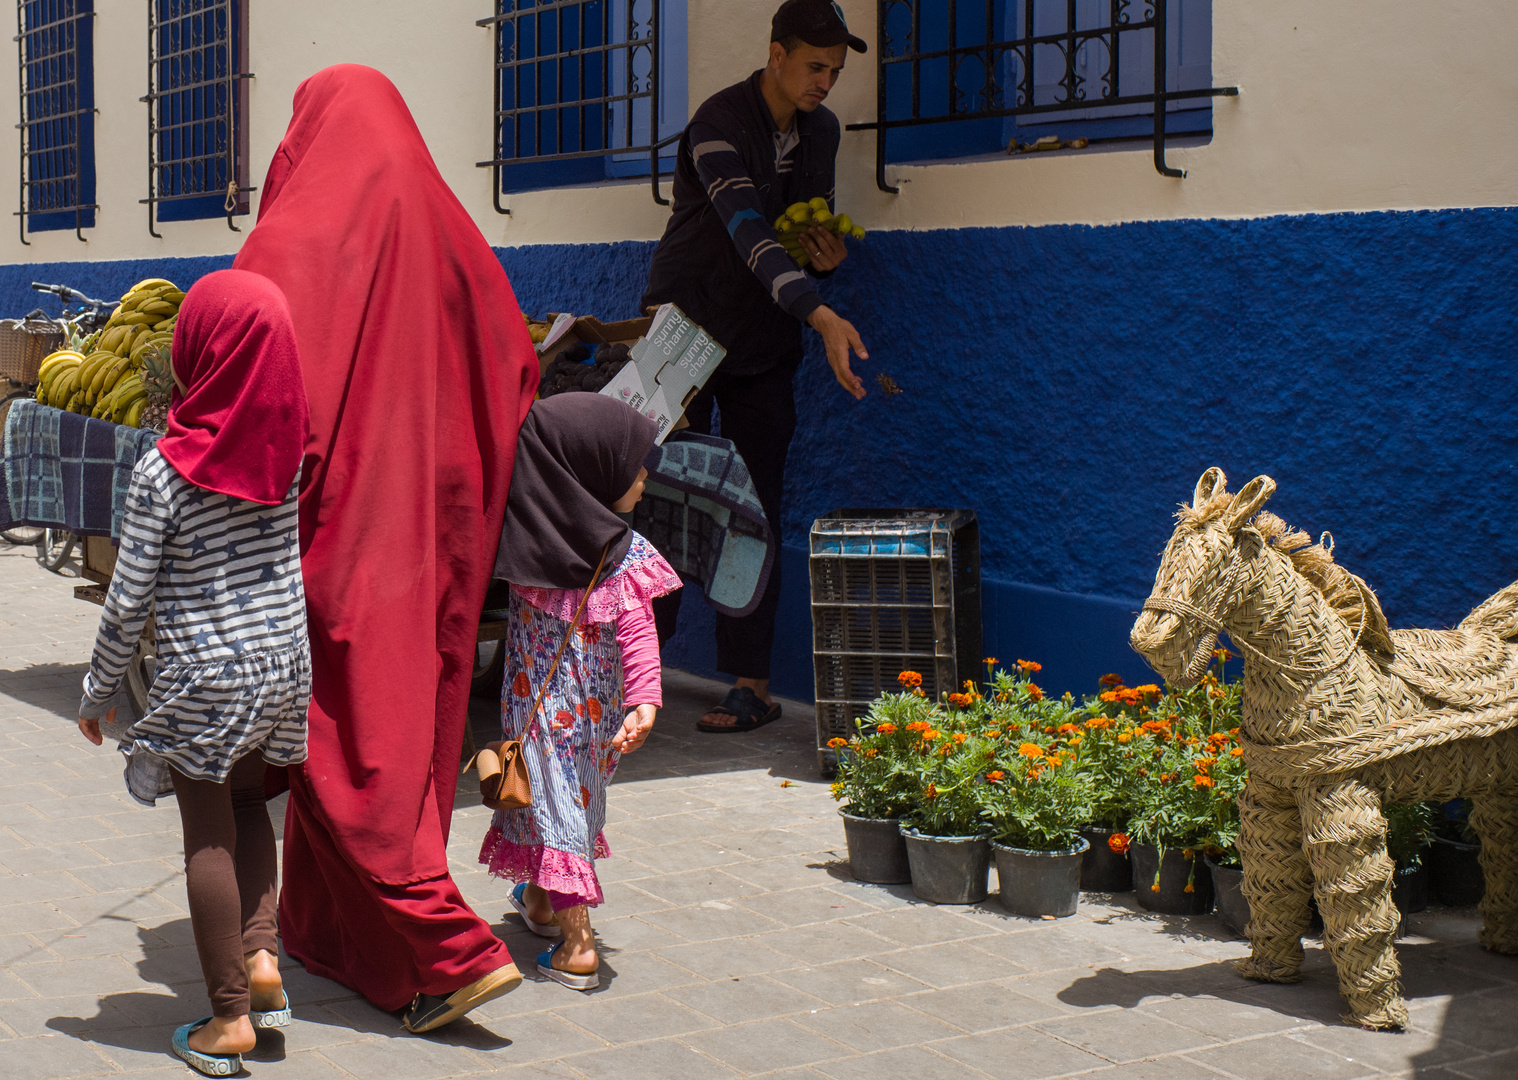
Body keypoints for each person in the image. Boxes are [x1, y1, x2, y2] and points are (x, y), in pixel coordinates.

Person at [233, 66, 540, 1032]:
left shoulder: (288, 241)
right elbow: (517, 363)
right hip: (439, 535)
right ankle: (335, 936)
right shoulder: (456, 236)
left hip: (335, 531)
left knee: (342, 741)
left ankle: (449, 951)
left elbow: (257, 399)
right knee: (405, 728)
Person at [76, 269, 310, 1075]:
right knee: (250, 808)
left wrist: (98, 692)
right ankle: (262, 959)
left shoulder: (162, 473)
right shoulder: (288, 457)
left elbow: (127, 600)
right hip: (282, 665)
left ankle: (228, 1019)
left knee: (205, 829)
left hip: (204, 676)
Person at [642, 0, 870, 733]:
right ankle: (634, 669)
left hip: (764, 338)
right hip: (683, 327)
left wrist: (823, 264)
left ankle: (751, 684)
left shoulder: (822, 132)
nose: (824, 83)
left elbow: (802, 229)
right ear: (777, 54)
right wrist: (823, 313)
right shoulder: (716, 123)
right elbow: (748, 231)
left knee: (759, 502)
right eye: (813, 66)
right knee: (654, 494)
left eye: (834, 71)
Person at [480, 394, 680, 990]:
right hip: (583, 725)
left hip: (545, 721)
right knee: (560, 812)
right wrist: (642, 699)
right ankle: (542, 906)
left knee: (558, 817)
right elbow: (641, 636)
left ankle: (578, 947)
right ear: (584, 469)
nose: (644, 476)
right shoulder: (621, 552)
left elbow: (639, 633)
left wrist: (646, 698)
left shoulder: (525, 543)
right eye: (632, 465)